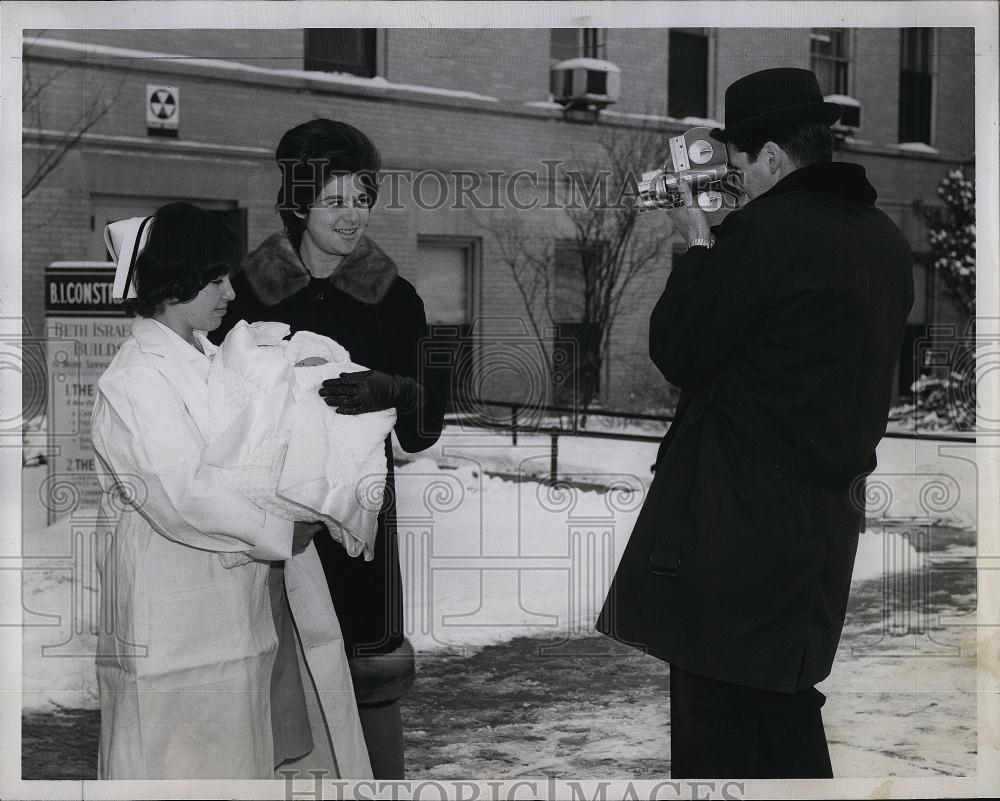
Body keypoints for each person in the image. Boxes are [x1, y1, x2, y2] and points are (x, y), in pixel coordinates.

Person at [596, 68, 915, 778]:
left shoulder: (761, 235)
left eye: (739, 163)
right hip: (818, 547)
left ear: (773, 156)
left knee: (718, 748)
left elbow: (681, 350)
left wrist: (694, 243)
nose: (734, 179)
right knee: (788, 721)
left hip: (729, 550)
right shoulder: (887, 243)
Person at [91, 202, 372, 779]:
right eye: (216, 279)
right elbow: (182, 495)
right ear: (175, 280)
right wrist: (280, 530)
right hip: (169, 609)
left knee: (241, 759)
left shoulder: (216, 358)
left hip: (237, 602)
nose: (229, 293)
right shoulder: (134, 378)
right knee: (170, 761)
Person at [212, 119, 449, 778]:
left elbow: (423, 430)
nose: (354, 215)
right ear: (297, 203)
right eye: (336, 199)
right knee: (270, 685)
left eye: (363, 197)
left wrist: (400, 388)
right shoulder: (243, 293)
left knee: (365, 687)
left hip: (356, 538)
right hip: (263, 531)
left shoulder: (397, 300)